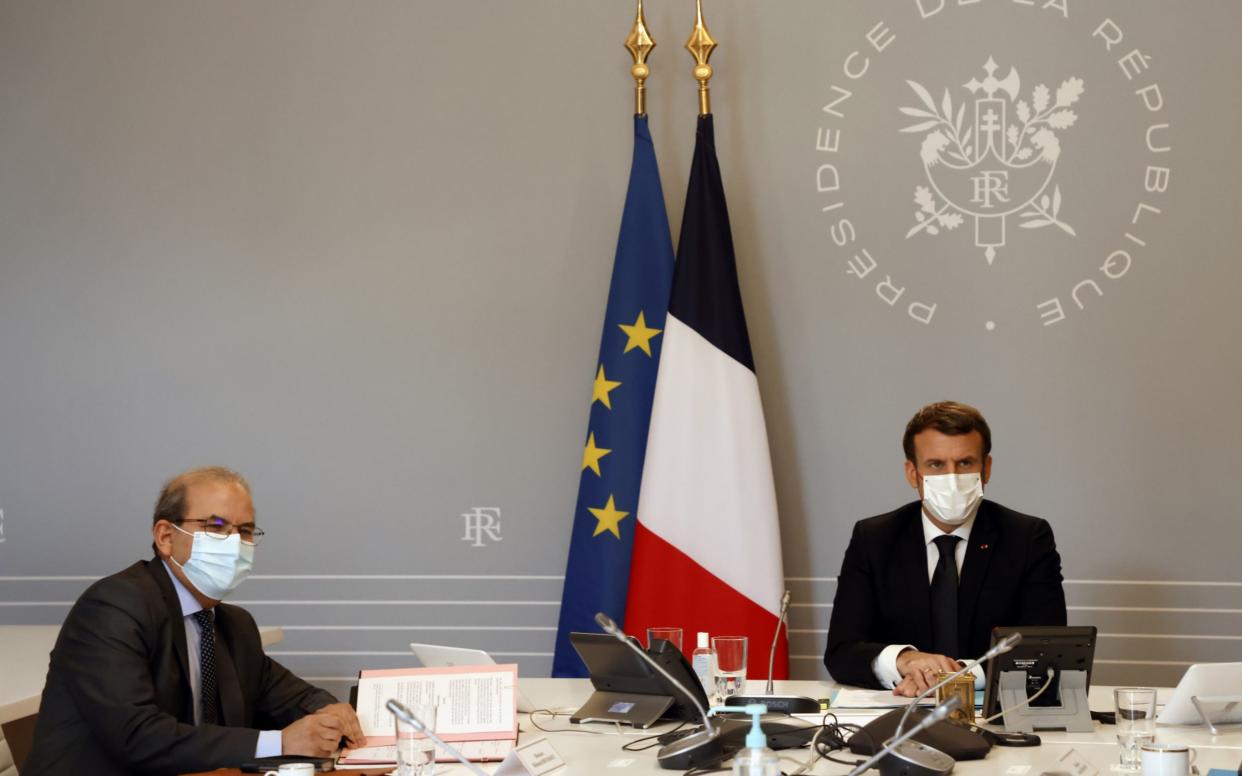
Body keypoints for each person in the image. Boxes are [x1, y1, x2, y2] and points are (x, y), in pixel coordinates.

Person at [24, 467, 365, 775]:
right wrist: (280, 743)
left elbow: (289, 696)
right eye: (215, 527)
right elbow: (137, 737)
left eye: (244, 531)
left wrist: (330, 712)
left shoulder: (233, 624)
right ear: (165, 537)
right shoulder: (114, 607)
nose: (234, 543)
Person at [823, 401, 1067, 697]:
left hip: (991, 711)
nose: (951, 478)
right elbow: (842, 652)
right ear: (913, 473)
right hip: (899, 710)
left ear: (986, 469)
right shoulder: (874, 539)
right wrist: (904, 660)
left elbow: (1045, 649)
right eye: (936, 465)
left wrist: (954, 676)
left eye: (965, 463)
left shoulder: (1027, 538)